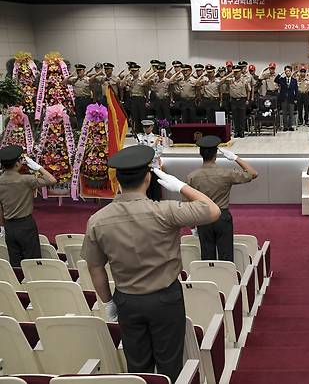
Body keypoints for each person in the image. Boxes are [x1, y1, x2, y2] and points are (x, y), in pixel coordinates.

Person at [82, 145, 219, 382]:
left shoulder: (97, 220)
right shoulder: (165, 211)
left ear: (118, 181)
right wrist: (180, 186)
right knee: (170, 363)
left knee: (138, 365)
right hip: (165, 298)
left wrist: (108, 301)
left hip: (127, 300)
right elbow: (212, 210)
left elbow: (95, 267)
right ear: (148, 178)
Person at [186, 135, 258, 261]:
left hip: (203, 218)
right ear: (215, 155)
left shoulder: (192, 177)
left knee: (207, 257)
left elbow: (188, 204)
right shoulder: (226, 173)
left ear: (200, 154)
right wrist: (235, 158)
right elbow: (253, 173)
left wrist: (192, 226)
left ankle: (209, 279)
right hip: (222, 217)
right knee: (226, 256)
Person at [0, 146, 56, 267]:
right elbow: (52, 180)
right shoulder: (25, 180)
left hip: (9, 226)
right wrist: (38, 167)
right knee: (33, 264)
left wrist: (2, 226)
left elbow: (0, 208)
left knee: (15, 264)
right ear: (17, 164)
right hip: (25, 225)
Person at [219, 64, 251, 138]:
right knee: (235, 117)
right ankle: (236, 132)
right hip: (233, 100)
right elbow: (221, 81)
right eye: (235, 72)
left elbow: (249, 90)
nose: (236, 73)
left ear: (240, 72)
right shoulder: (230, 80)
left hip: (242, 100)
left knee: (242, 117)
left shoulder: (245, 80)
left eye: (237, 72)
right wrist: (230, 74)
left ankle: (242, 132)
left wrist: (247, 100)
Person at [136, 120, 164, 201]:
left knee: (155, 187)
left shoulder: (157, 138)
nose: (146, 128)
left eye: (148, 127)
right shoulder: (140, 137)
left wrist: (148, 157)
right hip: (144, 166)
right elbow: (138, 151)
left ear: (152, 127)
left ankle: (156, 202)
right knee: (146, 188)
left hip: (154, 166)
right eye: (144, 127)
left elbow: (159, 152)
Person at [122, 64, 152, 133]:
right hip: (133, 99)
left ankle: (144, 131)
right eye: (132, 71)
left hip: (141, 98)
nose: (134, 72)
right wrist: (126, 76)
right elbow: (121, 86)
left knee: (142, 116)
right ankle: (136, 131)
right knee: (134, 116)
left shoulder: (142, 79)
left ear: (138, 71)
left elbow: (146, 90)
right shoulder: (129, 79)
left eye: (135, 71)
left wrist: (147, 100)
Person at [66, 64, 98, 129]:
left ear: (84, 71)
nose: (78, 72)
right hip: (78, 100)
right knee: (79, 116)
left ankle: (89, 130)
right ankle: (80, 130)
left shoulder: (88, 80)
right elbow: (63, 82)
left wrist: (94, 101)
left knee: (88, 116)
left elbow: (94, 90)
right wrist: (71, 75)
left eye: (80, 70)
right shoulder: (74, 80)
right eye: (77, 70)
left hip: (86, 99)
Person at [274, 65, 299, 132]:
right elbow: (275, 80)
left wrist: (296, 99)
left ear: (291, 72)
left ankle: (290, 126)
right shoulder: (282, 79)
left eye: (289, 71)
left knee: (291, 113)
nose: (287, 72)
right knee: (284, 113)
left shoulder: (294, 80)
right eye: (286, 71)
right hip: (283, 98)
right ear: (285, 72)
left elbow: (296, 90)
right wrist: (280, 73)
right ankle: (285, 126)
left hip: (291, 99)